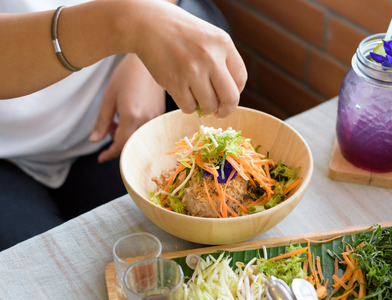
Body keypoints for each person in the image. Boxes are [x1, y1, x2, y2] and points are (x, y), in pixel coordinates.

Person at [0, 0, 247, 251]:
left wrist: (142, 62)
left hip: (111, 117)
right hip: (9, 149)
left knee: (183, 246)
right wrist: (129, 24)